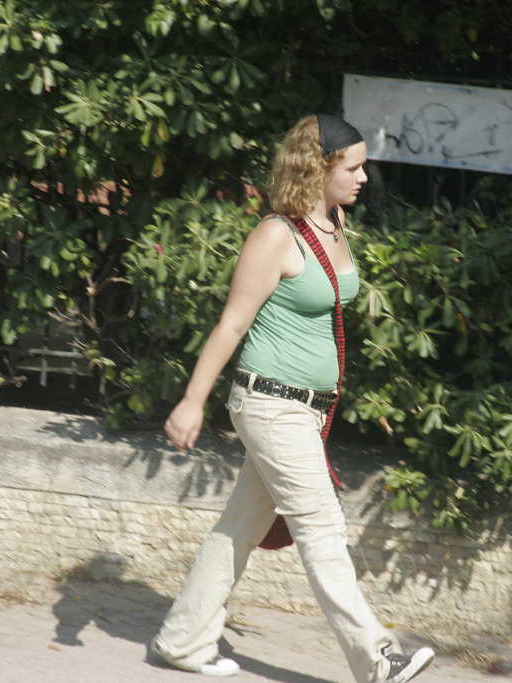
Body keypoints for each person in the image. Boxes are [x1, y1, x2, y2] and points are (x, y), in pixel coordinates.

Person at [149, 114, 435, 683]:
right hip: (269, 403)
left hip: (306, 407)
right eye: (353, 167)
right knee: (322, 525)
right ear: (317, 166)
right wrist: (192, 400)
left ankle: (182, 640)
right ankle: (377, 658)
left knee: (240, 527)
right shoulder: (276, 235)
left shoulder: (335, 223)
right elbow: (232, 324)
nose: (363, 178)